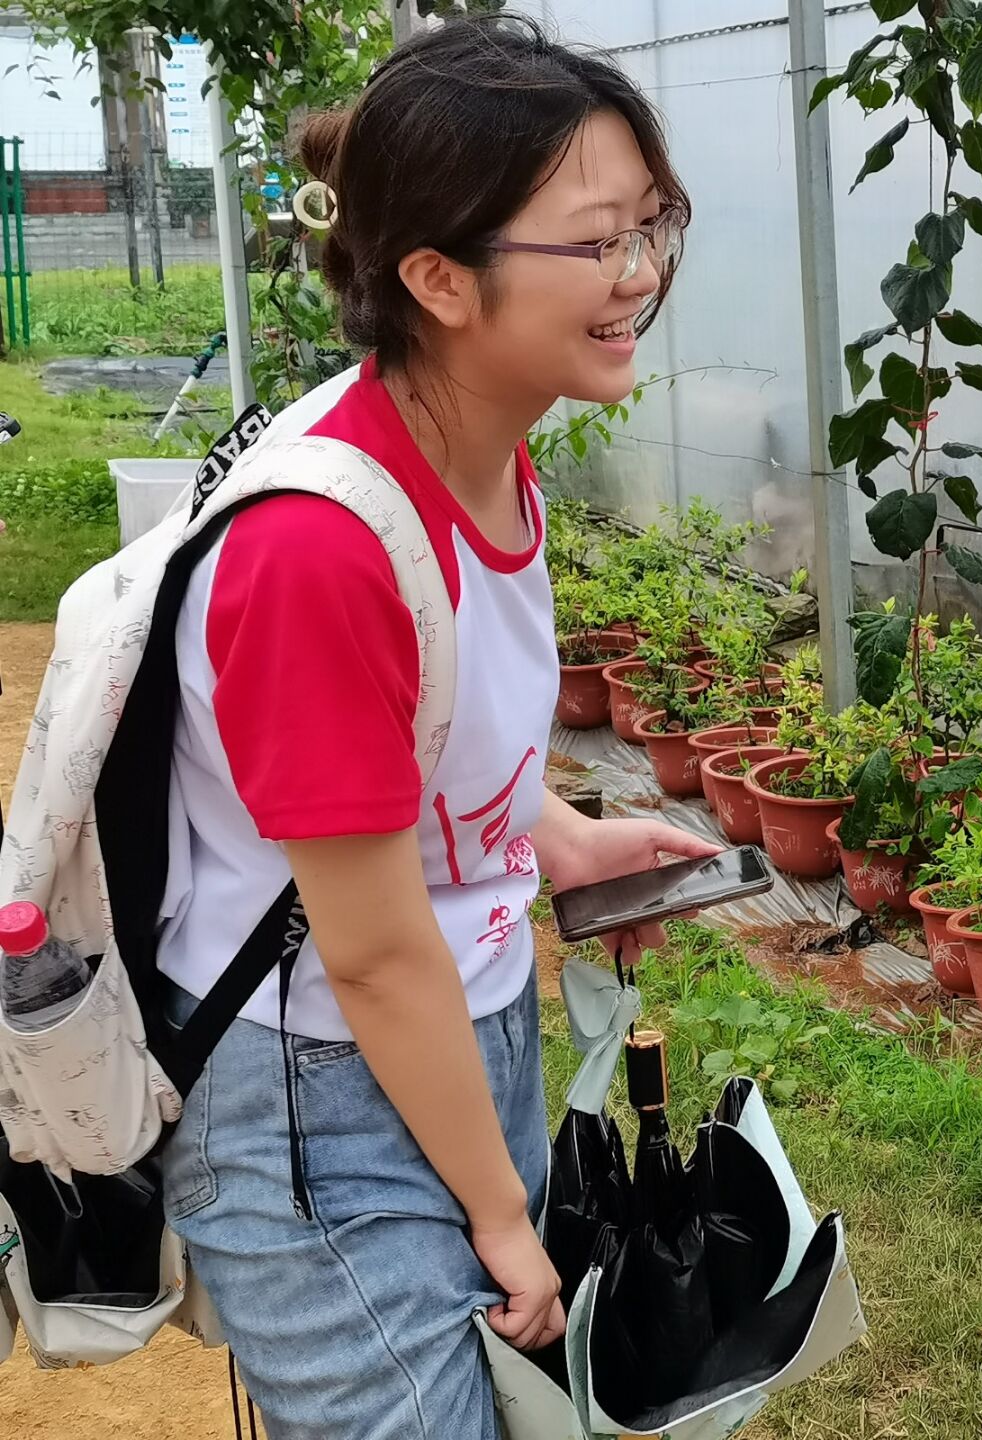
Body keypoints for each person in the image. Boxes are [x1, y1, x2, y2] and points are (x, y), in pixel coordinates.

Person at [153, 18, 712, 1438]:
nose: (639, 274)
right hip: (317, 1098)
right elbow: (374, 950)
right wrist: (501, 1213)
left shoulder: (481, 459)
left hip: (457, 1043)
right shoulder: (319, 551)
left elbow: (431, 730)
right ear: (438, 279)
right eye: (597, 240)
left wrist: (558, 839)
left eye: (650, 225)